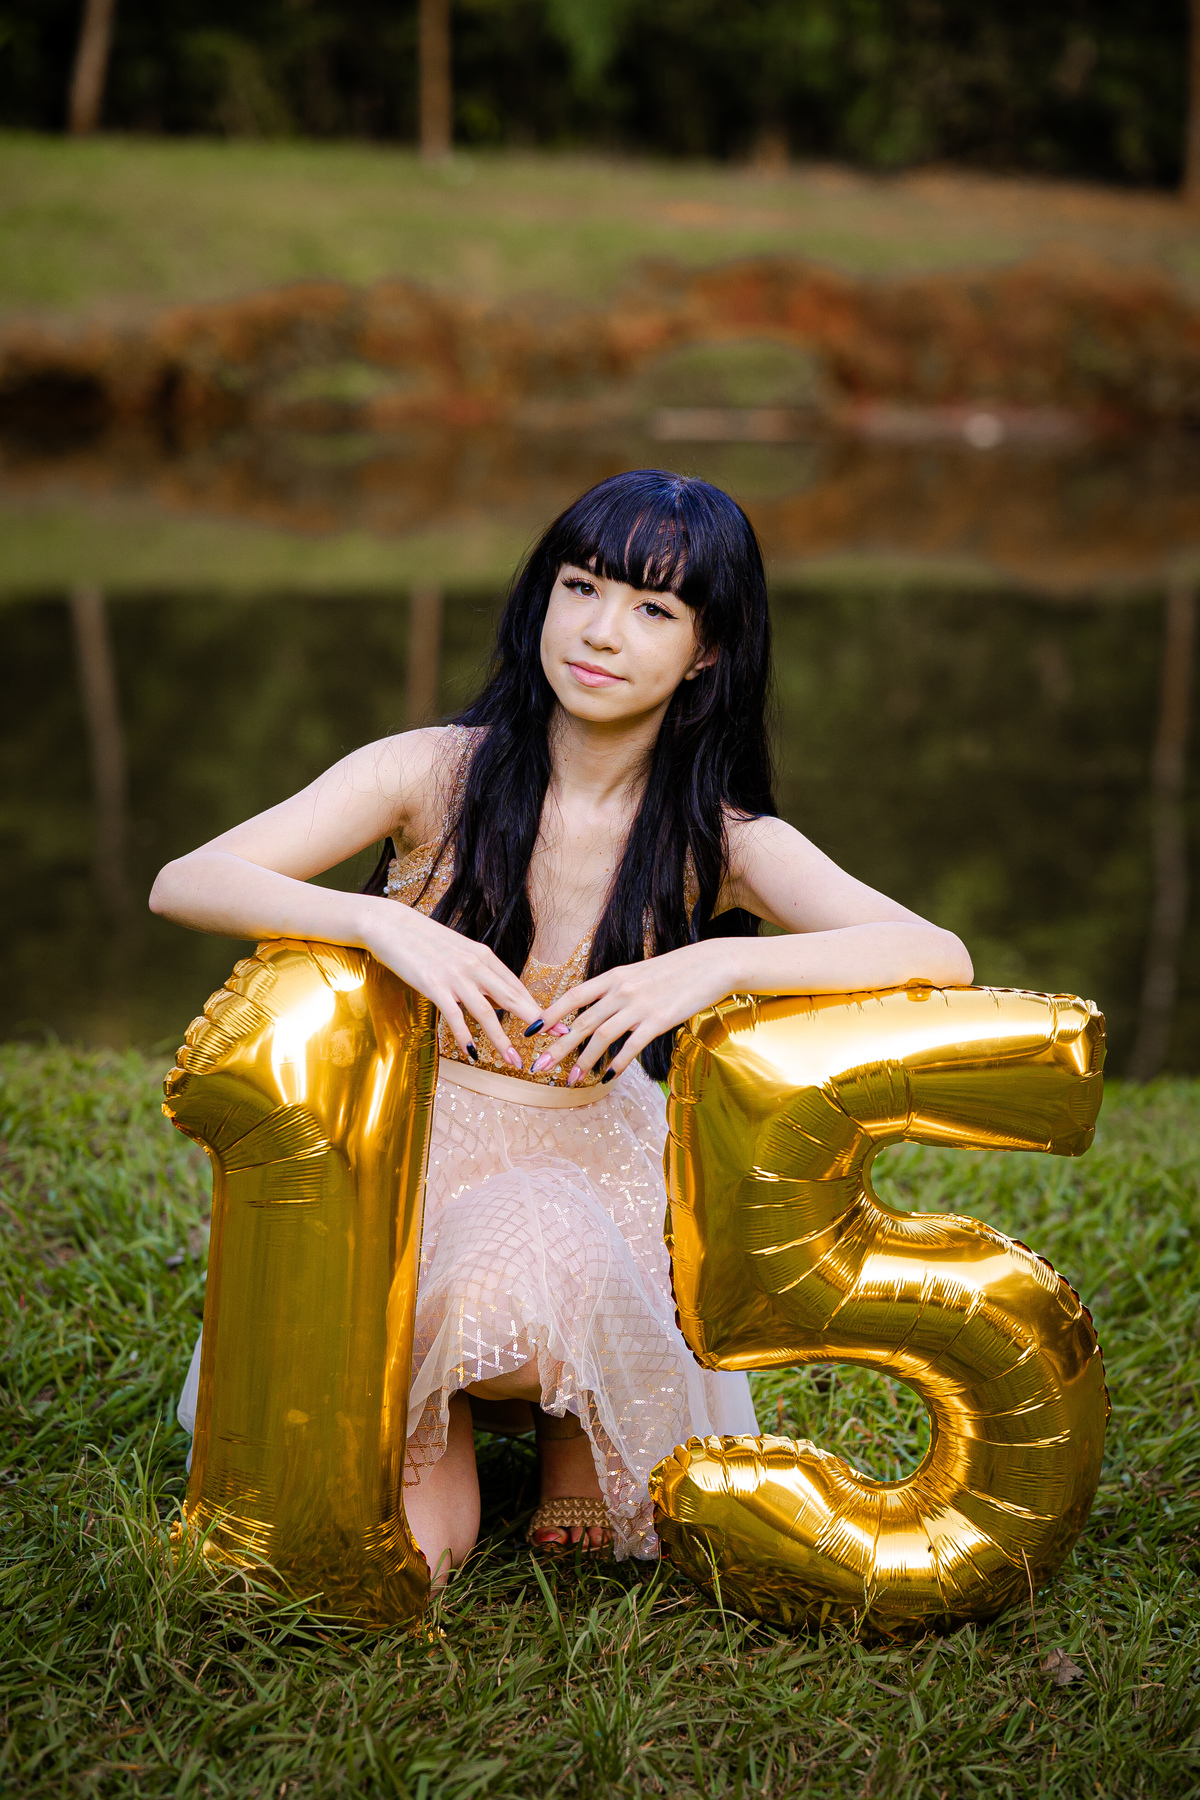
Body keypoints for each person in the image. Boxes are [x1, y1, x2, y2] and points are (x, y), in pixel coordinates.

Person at [151, 470, 971, 1586]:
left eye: (653, 609)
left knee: (545, 1235)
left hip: (592, 1162)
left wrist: (717, 961)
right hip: (412, 1149)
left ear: (708, 652)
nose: (600, 631)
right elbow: (188, 880)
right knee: (401, 1550)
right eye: (581, 587)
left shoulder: (717, 836)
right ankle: (434, 1428)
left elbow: (935, 952)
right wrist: (378, 923)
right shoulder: (430, 772)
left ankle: (566, 1419)